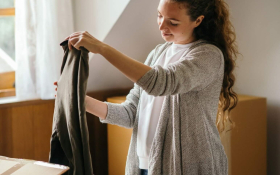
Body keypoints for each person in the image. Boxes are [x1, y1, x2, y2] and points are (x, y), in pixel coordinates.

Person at [55, 0, 239, 174]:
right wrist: (79, 100)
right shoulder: (158, 53)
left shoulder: (208, 56)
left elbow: (160, 83)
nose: (161, 26)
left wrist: (102, 48)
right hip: (143, 166)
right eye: (159, 16)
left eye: (173, 22)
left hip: (189, 167)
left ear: (198, 20)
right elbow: (130, 114)